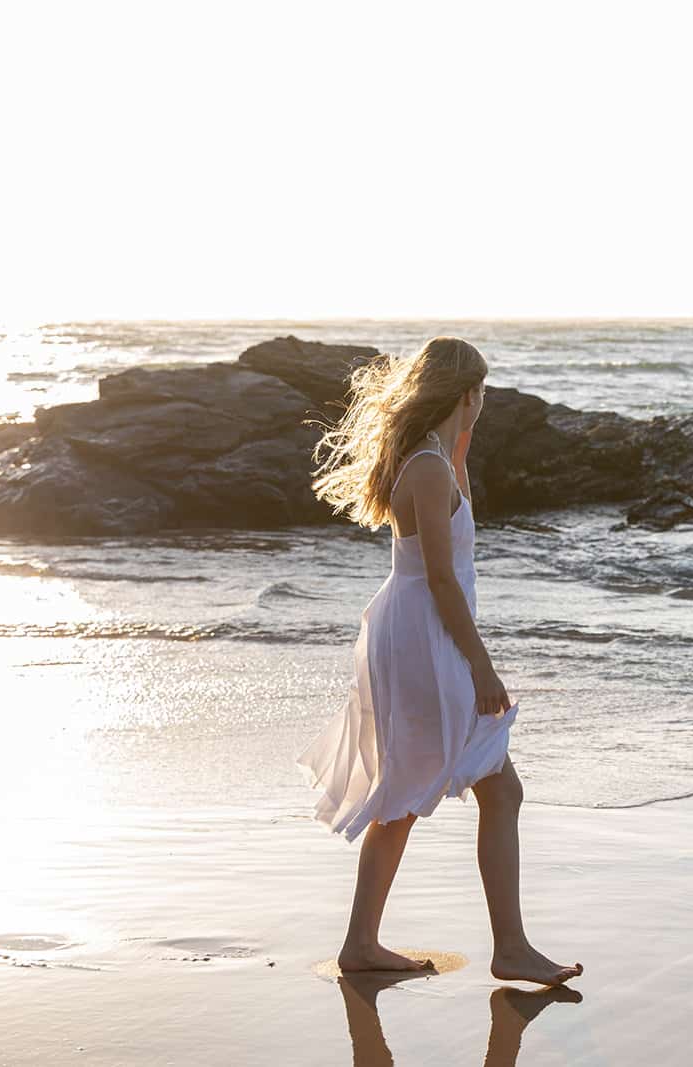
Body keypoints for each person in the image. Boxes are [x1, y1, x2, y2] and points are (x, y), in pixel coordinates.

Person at [296, 336, 583, 987]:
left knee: (410, 793)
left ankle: (362, 943)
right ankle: (505, 948)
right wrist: (482, 667)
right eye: (479, 391)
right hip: (427, 637)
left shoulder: (439, 460)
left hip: (419, 632)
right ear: (467, 394)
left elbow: (454, 538)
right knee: (491, 787)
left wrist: (461, 438)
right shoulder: (426, 468)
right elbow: (442, 579)